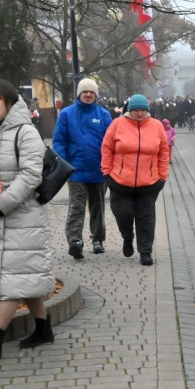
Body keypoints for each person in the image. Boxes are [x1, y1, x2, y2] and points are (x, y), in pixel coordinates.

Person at [0, 80, 56, 361]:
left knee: (11, 278)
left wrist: (2, 204)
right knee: (24, 274)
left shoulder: (26, 133)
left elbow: (31, 175)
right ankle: (42, 328)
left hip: (24, 216)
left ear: (9, 101)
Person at [101, 94, 171, 266]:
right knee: (123, 213)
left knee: (146, 217)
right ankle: (127, 237)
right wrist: (107, 173)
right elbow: (107, 148)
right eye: (135, 110)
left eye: (143, 110)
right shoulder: (117, 124)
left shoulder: (156, 126)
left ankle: (145, 251)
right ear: (129, 110)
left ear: (148, 111)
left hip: (149, 182)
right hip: (120, 181)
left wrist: (162, 176)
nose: (139, 114)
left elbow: (163, 152)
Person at [52, 78, 113, 259]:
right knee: (77, 207)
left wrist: (108, 164)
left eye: (92, 92)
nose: (88, 95)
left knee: (98, 207)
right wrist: (65, 163)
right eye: (85, 92)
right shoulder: (66, 114)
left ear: (96, 95)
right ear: (79, 94)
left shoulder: (103, 115)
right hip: (76, 171)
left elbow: (110, 142)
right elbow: (59, 140)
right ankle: (75, 241)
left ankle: (98, 239)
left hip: (99, 170)